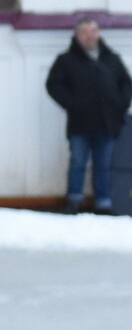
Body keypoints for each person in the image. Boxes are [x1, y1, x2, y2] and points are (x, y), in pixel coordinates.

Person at [45, 18, 131, 214]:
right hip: (80, 124)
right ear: (77, 36)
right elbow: (54, 85)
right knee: (78, 163)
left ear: (98, 34)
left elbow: (126, 83)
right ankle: (74, 201)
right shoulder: (66, 60)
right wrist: (72, 104)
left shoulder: (111, 59)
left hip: (107, 123)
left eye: (93, 31)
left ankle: (103, 203)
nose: (89, 36)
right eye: (84, 32)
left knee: (104, 165)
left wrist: (121, 104)